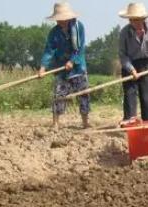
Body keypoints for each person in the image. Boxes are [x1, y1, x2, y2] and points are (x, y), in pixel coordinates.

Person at [39, 2, 90, 130]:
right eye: (58, 19)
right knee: (58, 95)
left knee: (83, 94)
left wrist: (72, 61)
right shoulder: (54, 33)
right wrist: (43, 68)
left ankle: (85, 122)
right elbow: (49, 51)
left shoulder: (79, 28)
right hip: (61, 68)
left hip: (78, 67)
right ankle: (55, 123)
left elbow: (80, 48)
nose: (60, 21)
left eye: (62, 19)